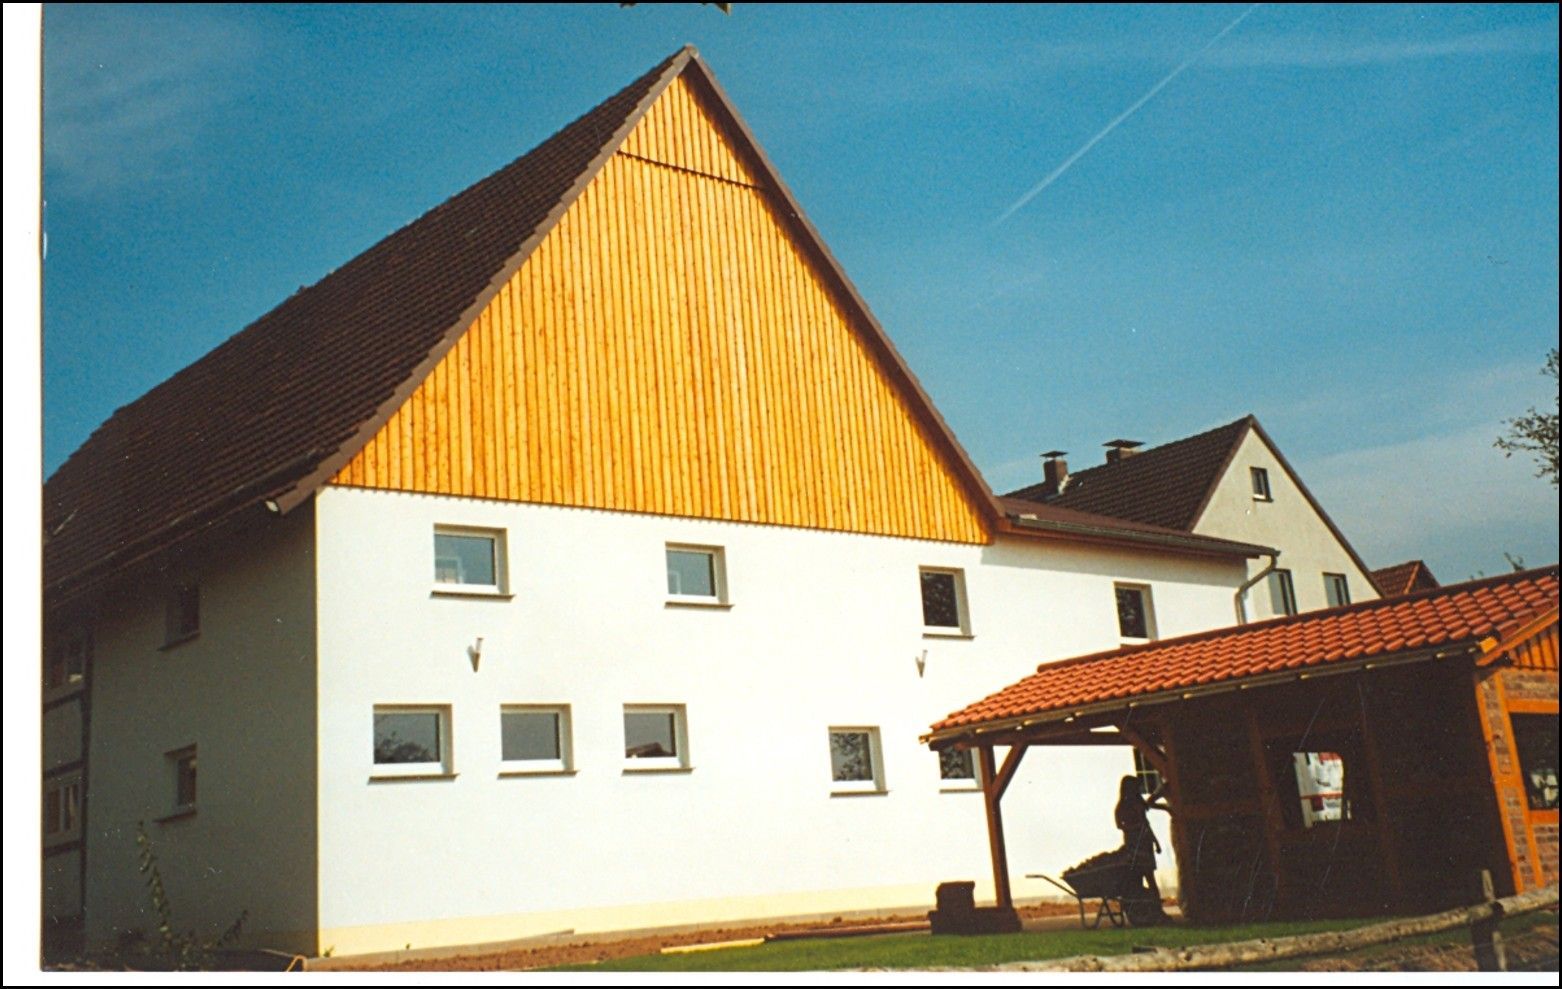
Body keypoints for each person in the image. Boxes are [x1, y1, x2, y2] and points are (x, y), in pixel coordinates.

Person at [1115, 775, 1167, 921]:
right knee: (1138, 879)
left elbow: (1146, 824)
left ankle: (1157, 911)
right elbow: (1120, 825)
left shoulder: (1138, 804)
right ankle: (1141, 913)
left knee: (1150, 879)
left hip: (1145, 845)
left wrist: (1155, 842)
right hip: (1134, 845)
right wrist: (1134, 828)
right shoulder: (1122, 806)